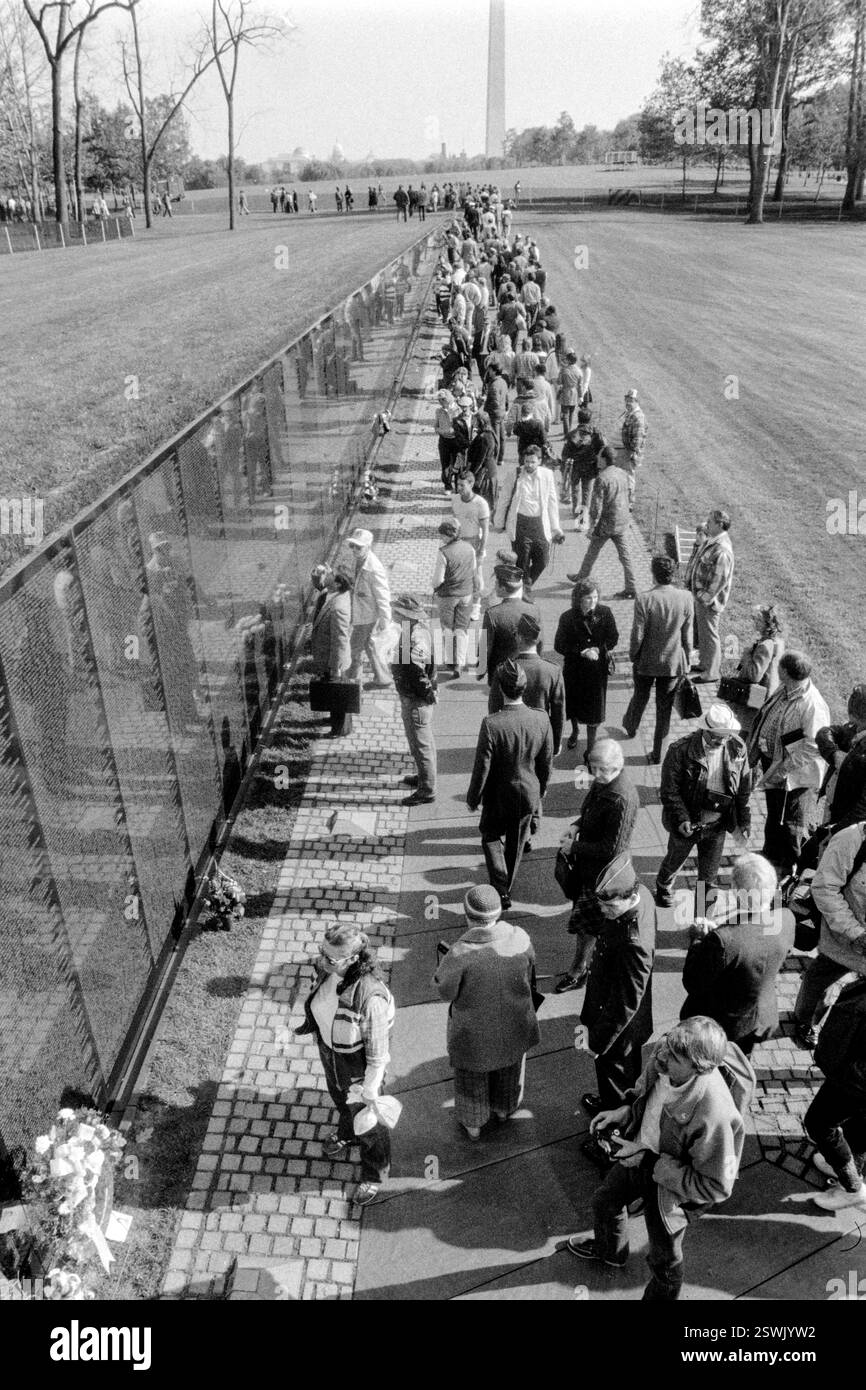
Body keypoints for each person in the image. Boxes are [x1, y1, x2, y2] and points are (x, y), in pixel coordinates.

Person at [567, 1017, 755, 1301]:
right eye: (666, 1043)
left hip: (669, 1190)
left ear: (699, 1068)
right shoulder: (667, 1055)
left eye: (675, 1056)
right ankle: (610, 1252)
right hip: (639, 1153)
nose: (661, 1054)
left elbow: (716, 1187)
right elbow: (645, 1089)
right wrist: (627, 1109)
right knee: (604, 1202)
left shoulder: (714, 1114)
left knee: (664, 1261)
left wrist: (647, 1162)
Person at [296, 923, 395, 1207]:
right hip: (331, 1052)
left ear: (353, 959)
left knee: (370, 1125)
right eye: (321, 953)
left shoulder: (370, 997)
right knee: (339, 1099)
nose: (322, 961)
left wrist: (370, 1091)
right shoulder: (330, 970)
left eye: (331, 958)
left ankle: (375, 1173)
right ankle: (347, 1132)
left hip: (358, 1070)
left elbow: (378, 1056)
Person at [433, 885, 539, 1140]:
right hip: (516, 1024)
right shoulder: (521, 938)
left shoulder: (460, 952)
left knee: (472, 1079)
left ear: (467, 916)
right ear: (498, 913)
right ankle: (504, 1110)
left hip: (474, 1035)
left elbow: (445, 992)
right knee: (510, 1070)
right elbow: (531, 969)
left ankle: (474, 1125)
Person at [680, 854, 795, 1056]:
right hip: (757, 1016)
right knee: (741, 1060)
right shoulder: (786, 919)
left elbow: (693, 982)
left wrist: (698, 939)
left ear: (735, 891)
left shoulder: (722, 940)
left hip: (719, 1025)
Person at [580, 854, 656, 1146]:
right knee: (615, 1079)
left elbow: (626, 1000)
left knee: (618, 1081)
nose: (602, 909)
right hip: (614, 1014)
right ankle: (609, 1108)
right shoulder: (643, 896)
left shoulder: (633, 941)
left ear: (630, 896)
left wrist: (597, 1043)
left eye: (609, 905)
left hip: (618, 1029)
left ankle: (614, 1141)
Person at [467, 658, 554, 909]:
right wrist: (542, 790)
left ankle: (499, 887)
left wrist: (473, 799)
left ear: (500, 688)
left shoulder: (492, 724)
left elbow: (481, 768)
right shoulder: (541, 719)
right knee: (516, 844)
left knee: (491, 837)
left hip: (497, 795)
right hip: (528, 792)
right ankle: (507, 887)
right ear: (523, 688)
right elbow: (545, 763)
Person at [555, 740, 639, 993]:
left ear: (618, 765)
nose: (597, 774)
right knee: (591, 924)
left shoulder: (621, 798)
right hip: (590, 869)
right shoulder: (605, 781)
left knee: (587, 927)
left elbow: (611, 849)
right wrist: (577, 825)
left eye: (603, 769)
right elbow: (591, 809)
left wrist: (574, 848)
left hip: (602, 877)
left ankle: (578, 971)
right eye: (594, 768)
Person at [656, 704, 752, 911]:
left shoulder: (737, 747)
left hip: (717, 825)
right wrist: (682, 818)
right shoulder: (679, 750)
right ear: (704, 731)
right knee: (674, 861)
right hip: (689, 823)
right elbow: (669, 791)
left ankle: (702, 920)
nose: (722, 742)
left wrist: (744, 820)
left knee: (708, 879)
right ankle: (663, 885)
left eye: (726, 737)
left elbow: (743, 788)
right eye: (716, 737)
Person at [747, 651, 831, 874]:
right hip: (774, 764)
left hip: (794, 775)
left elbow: (814, 746)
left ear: (785, 672)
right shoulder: (787, 687)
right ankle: (771, 854)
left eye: (780, 666)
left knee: (792, 821)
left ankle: (790, 867)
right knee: (775, 812)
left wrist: (783, 770)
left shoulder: (813, 704)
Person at [793, 821, 866, 1048]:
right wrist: (855, 933)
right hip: (845, 937)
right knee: (821, 981)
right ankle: (806, 1021)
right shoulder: (851, 840)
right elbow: (825, 888)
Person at [623, 555, 694, 764]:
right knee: (664, 709)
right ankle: (658, 753)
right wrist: (688, 659)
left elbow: (637, 634)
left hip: (646, 661)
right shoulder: (686, 597)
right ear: (673, 574)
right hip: (672, 662)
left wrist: (633, 655)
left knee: (640, 696)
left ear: (653, 574)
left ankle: (631, 725)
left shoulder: (644, 598)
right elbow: (687, 636)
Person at [804, 975, 866, 1210]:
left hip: (856, 1078)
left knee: (819, 1123)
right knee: (858, 1125)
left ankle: (852, 1188)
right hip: (856, 1073)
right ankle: (846, 1165)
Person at [554, 580, 618, 754]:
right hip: (575, 669)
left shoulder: (605, 613)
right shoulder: (567, 617)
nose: (593, 602)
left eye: (596, 597)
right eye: (588, 598)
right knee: (573, 704)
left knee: (594, 710)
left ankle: (590, 749)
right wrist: (580, 652)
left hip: (596, 671)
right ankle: (575, 731)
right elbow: (559, 645)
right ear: (579, 599)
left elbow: (613, 638)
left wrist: (598, 648)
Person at [567, 446, 637, 599]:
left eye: (599, 456)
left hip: (606, 524)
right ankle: (631, 587)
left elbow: (596, 506)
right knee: (625, 556)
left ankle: (581, 578)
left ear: (605, 459)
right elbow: (629, 494)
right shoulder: (623, 473)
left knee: (592, 552)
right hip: (622, 521)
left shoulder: (602, 478)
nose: (597, 459)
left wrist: (592, 526)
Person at [489, 613, 565, 754]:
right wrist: (556, 742)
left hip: (511, 737)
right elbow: (558, 712)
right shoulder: (553, 670)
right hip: (541, 736)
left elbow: (494, 709)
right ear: (538, 639)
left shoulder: (503, 670)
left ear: (518, 637)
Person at [389, 593, 438, 807]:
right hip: (416, 699)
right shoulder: (417, 630)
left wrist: (427, 695)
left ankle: (427, 790)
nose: (392, 614)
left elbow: (418, 675)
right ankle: (423, 777)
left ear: (405, 615)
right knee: (421, 743)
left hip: (416, 701)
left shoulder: (413, 640)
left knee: (421, 745)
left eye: (396, 611)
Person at [502, 446, 564, 591]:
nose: (529, 465)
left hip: (540, 525)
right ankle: (524, 592)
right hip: (521, 524)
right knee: (522, 562)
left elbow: (552, 502)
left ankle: (524, 586)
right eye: (526, 461)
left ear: (540, 461)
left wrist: (556, 528)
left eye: (532, 462)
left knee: (543, 561)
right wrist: (499, 522)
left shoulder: (547, 475)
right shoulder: (515, 474)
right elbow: (504, 499)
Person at [687, 509, 735, 683]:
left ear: (720, 525)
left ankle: (712, 673)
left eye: (710, 522)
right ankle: (703, 664)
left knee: (710, 636)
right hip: (702, 599)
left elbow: (718, 580)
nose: (707, 524)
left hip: (709, 603)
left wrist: (703, 598)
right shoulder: (713, 541)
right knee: (704, 634)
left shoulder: (722, 550)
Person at [479, 563, 542, 685]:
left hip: (500, 672)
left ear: (503, 589)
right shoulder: (534, 610)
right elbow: (540, 641)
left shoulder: (493, 613)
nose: (495, 586)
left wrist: (481, 670)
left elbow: (485, 646)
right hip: (528, 671)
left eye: (496, 584)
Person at [345, 527, 392, 688]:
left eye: (359, 547)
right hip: (361, 612)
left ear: (368, 547)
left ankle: (352, 683)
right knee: (369, 645)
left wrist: (385, 620)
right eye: (352, 546)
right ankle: (383, 677)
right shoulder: (359, 559)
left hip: (367, 615)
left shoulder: (374, 568)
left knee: (354, 648)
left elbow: (383, 595)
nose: (354, 550)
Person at [433, 518, 480, 679]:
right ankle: (460, 663)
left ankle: (449, 660)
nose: (441, 539)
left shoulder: (443, 552)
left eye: (443, 536)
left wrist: (434, 588)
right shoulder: (469, 548)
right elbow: (473, 570)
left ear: (448, 535)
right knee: (462, 629)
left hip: (448, 595)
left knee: (447, 628)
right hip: (466, 594)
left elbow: (438, 579)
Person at [310, 564, 353, 737]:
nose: (327, 574)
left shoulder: (339, 607)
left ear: (338, 583)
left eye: (331, 574)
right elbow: (321, 585)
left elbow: (340, 639)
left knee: (338, 694)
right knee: (334, 692)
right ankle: (336, 721)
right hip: (330, 658)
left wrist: (336, 667)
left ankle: (339, 730)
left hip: (334, 660)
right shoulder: (334, 593)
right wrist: (319, 573)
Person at [728, 604, 785, 734]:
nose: (754, 622)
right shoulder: (777, 641)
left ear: (767, 624)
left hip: (756, 696)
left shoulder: (766, 645)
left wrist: (747, 655)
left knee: (744, 730)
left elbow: (754, 675)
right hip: (765, 694)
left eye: (758, 620)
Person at [816, 684, 866, 829]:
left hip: (846, 820)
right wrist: (834, 753)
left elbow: (862, 808)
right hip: (832, 805)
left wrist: (836, 829)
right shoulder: (854, 728)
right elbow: (824, 733)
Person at [561, 409, 602, 530]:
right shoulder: (595, 433)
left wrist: (564, 467)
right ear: (590, 419)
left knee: (574, 488)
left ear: (578, 419)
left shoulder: (572, 434)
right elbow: (602, 447)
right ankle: (584, 515)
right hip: (590, 466)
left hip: (575, 466)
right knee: (587, 491)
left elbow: (565, 453)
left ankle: (575, 510)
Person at [451, 470, 490, 589]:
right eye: (457, 484)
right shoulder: (455, 499)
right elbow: (455, 521)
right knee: (459, 573)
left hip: (473, 542)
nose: (459, 488)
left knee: (477, 574)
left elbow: (485, 530)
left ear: (471, 484)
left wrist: (481, 550)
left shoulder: (480, 503)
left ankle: (477, 603)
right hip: (459, 541)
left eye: (462, 485)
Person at [620, 389, 647, 507]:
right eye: (627, 400)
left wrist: (631, 452)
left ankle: (629, 503)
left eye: (631, 400)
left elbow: (638, 438)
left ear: (637, 401)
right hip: (626, 450)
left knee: (629, 477)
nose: (628, 403)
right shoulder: (629, 413)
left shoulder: (638, 417)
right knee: (625, 476)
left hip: (631, 453)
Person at [558, 350, 582, 436]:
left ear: (568, 360)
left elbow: (559, 381)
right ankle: (570, 431)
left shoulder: (564, 370)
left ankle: (566, 433)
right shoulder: (579, 371)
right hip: (574, 393)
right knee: (571, 413)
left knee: (565, 414)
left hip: (566, 392)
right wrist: (581, 396)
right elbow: (580, 385)